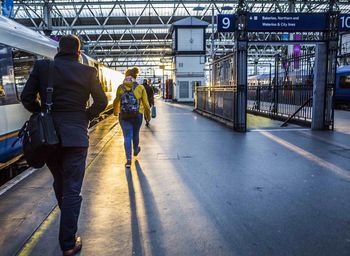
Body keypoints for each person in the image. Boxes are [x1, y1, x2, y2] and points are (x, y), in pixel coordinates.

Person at [21, 35, 108, 256]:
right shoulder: (88, 72)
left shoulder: (43, 67)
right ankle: (68, 243)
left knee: (60, 181)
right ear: (78, 53)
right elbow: (102, 102)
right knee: (72, 188)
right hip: (76, 137)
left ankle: (67, 224)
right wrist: (85, 116)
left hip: (49, 137)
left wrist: (42, 113)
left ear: (58, 49)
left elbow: (26, 97)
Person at [113, 67, 151, 168]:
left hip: (124, 115)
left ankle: (128, 160)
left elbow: (116, 101)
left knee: (127, 136)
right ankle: (135, 149)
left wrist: (115, 112)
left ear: (126, 76)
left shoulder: (121, 87)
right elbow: (146, 105)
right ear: (135, 76)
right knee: (136, 133)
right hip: (137, 114)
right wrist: (148, 116)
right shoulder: (140, 88)